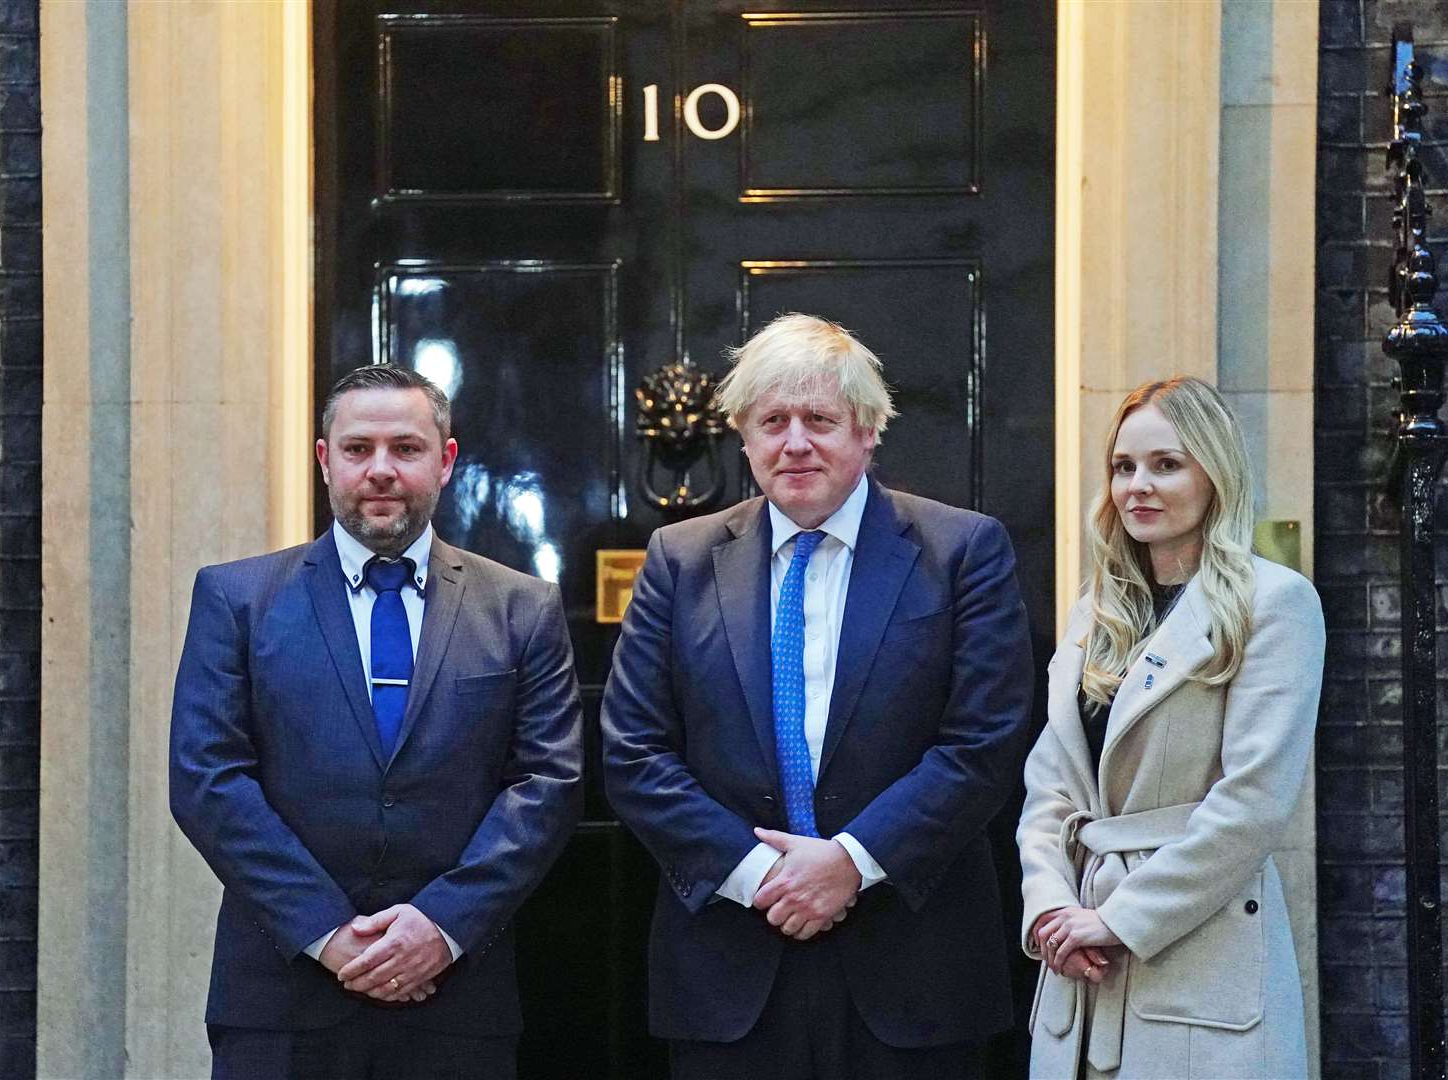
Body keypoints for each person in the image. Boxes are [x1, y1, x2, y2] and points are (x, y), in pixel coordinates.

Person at [600, 313, 1034, 1079]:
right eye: (772, 421)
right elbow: (634, 752)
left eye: (820, 420)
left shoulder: (962, 550)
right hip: (729, 967)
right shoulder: (680, 560)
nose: (794, 442)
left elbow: (984, 741)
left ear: (868, 432)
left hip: (914, 965)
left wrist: (849, 863)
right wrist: (762, 875)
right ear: (743, 436)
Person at [169, 364, 584, 1079]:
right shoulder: (236, 599)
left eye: (406, 448)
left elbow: (547, 784)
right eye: (358, 449)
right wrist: (328, 934)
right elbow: (208, 780)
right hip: (280, 998)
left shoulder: (522, 609)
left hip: (457, 998)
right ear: (325, 459)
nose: (381, 470)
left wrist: (441, 927)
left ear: (446, 460)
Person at [1018, 376, 1324, 1079]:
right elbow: (1049, 792)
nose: (1137, 487)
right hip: (1078, 969)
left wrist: (1121, 920)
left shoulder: (1273, 604)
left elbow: (1252, 803)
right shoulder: (1097, 610)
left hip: (1195, 956)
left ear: (1212, 472)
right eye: (1123, 467)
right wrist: (1048, 908)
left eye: (1165, 464)